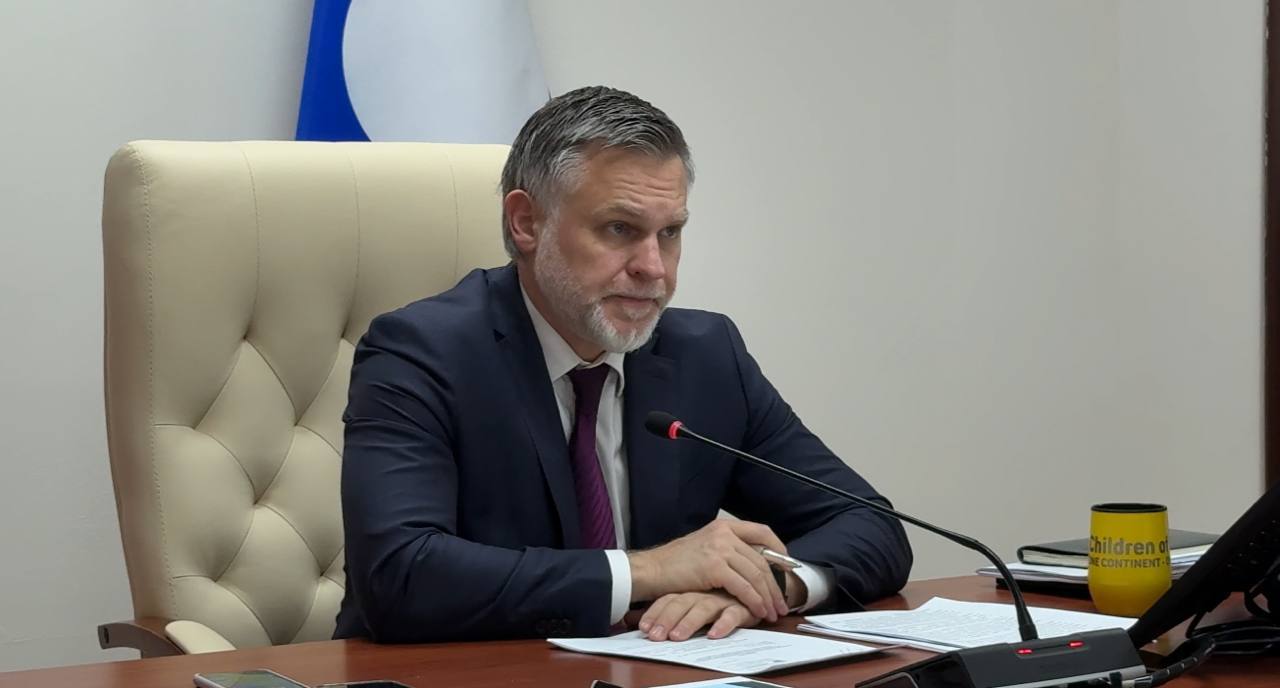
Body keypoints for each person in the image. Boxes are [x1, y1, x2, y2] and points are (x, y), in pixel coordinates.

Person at [334, 86, 911, 644]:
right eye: (620, 229)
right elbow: (400, 575)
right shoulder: (421, 353)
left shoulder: (706, 355)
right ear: (526, 222)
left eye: (671, 233)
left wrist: (764, 586)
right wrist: (650, 571)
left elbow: (871, 526)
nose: (654, 268)